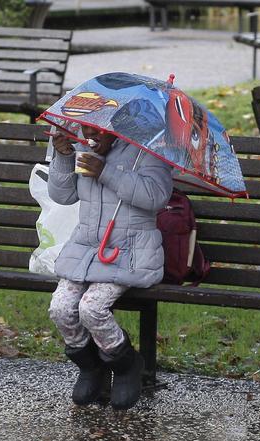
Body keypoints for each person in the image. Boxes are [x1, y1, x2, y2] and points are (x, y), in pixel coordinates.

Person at [48, 125, 173, 410]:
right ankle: (91, 366)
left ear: (117, 128)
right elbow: (63, 196)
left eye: (100, 132)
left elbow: (156, 196)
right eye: (86, 129)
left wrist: (106, 171)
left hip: (129, 251)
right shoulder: (81, 146)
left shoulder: (148, 150)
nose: (91, 137)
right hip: (86, 248)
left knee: (91, 308)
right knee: (61, 308)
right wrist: (63, 156)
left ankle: (126, 363)